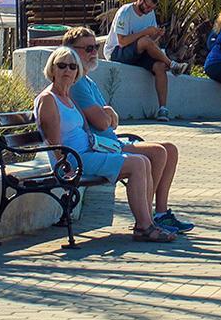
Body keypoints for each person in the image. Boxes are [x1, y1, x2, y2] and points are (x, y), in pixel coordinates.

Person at [36, 46, 175, 242]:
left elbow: (85, 129)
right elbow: (54, 141)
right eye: (62, 65)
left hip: (88, 153)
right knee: (137, 163)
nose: (67, 70)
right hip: (74, 160)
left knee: (143, 161)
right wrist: (64, 166)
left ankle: (147, 223)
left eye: (72, 67)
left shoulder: (67, 97)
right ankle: (144, 227)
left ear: (77, 72)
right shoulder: (48, 99)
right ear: (52, 69)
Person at [60, 28, 189, 233]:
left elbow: (112, 121)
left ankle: (160, 214)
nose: (94, 53)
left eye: (96, 47)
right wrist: (107, 113)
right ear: (71, 51)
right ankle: (147, 218)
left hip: (110, 143)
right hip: (101, 147)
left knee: (170, 149)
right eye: (88, 48)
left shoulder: (88, 81)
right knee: (157, 153)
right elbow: (103, 123)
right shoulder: (77, 84)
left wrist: (108, 114)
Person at [107, 0, 183, 119]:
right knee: (145, 41)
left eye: (152, 8)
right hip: (117, 52)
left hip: (138, 51)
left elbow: (150, 42)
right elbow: (122, 41)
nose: (148, 10)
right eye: (147, 6)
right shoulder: (125, 12)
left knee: (159, 66)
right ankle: (171, 64)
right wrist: (145, 33)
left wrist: (157, 35)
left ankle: (163, 109)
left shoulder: (150, 14)